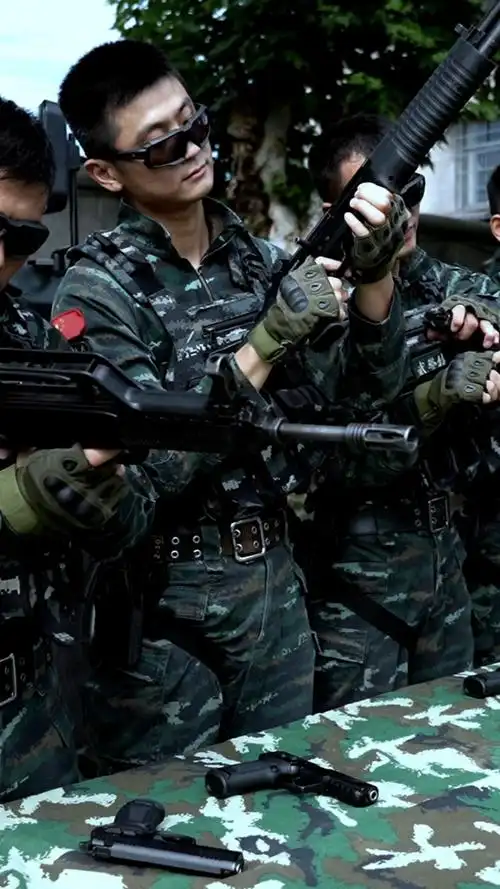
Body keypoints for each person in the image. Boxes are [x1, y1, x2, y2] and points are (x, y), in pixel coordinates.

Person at [51, 40, 409, 742]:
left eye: (195, 123)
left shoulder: (262, 262)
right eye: (160, 144)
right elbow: (143, 478)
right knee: (172, 806)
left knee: (290, 792)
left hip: (275, 589)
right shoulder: (94, 293)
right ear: (106, 172)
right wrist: (264, 344)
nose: (191, 148)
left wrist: (376, 280)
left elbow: (362, 404)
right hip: (166, 617)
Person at [304, 113, 500, 709]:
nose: (400, 213)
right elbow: (341, 451)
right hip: (358, 581)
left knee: (457, 740)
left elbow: (489, 300)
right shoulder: (314, 303)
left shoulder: (449, 283)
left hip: (446, 567)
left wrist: (481, 322)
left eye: (409, 192)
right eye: (377, 199)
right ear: (335, 211)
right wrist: (436, 395)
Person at [0, 95, 161, 800]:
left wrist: (101, 498)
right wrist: (18, 497)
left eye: (21, 239)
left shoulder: (30, 340)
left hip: (38, 715)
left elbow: (130, 511)